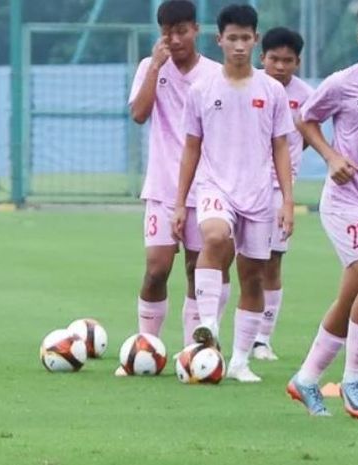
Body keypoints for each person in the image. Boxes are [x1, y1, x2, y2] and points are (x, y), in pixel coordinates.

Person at [171, 4, 294, 383]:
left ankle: (240, 361)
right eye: (232, 38)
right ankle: (207, 326)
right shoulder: (202, 89)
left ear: (255, 40)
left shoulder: (271, 90)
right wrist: (180, 202)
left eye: (246, 38)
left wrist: (287, 201)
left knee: (253, 276)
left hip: (258, 193)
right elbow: (191, 146)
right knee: (214, 236)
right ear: (219, 39)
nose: (239, 45)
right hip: (215, 186)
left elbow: (281, 147)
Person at [287, 0, 358, 419]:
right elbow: (306, 118)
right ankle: (353, 378)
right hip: (347, 200)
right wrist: (331, 157)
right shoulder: (343, 83)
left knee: (353, 296)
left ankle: (306, 378)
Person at [127, 0, 230, 349]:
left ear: (196, 30)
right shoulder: (150, 66)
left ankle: (194, 350)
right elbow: (139, 114)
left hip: (205, 188)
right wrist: (156, 66)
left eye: (182, 31)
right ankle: (146, 346)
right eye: (168, 32)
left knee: (195, 270)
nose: (175, 39)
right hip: (162, 186)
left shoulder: (216, 74)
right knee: (156, 268)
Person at [252, 27, 314, 361]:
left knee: (272, 263)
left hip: (278, 189)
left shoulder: (307, 95)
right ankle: (212, 331)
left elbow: (304, 136)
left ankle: (262, 339)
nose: (280, 66)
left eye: (287, 60)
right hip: (244, 184)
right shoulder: (249, 84)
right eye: (274, 59)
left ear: (298, 62)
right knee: (232, 259)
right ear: (262, 58)